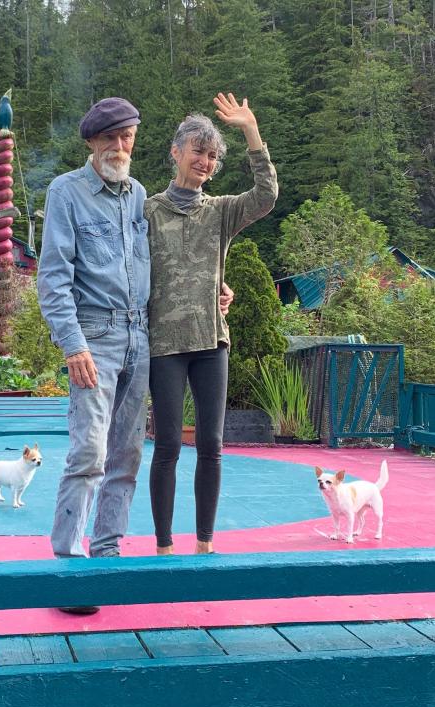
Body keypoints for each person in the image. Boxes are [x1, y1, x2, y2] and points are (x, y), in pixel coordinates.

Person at [146, 92, 278, 555]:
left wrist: (250, 131)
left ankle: (204, 543)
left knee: (212, 443)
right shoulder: (146, 211)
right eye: (197, 151)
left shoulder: (220, 211)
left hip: (210, 341)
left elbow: (266, 195)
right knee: (165, 446)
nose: (204, 161)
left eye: (212, 155)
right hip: (163, 344)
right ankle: (163, 545)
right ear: (176, 151)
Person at [37, 98, 150, 613]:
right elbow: (53, 278)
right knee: (89, 454)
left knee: (127, 455)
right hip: (95, 339)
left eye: (127, 137)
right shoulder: (66, 191)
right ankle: (67, 564)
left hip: (140, 340)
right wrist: (73, 344)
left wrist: (216, 289)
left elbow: (158, 266)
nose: (120, 147)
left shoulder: (140, 196)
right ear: (91, 143)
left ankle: (107, 554)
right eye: (110, 139)